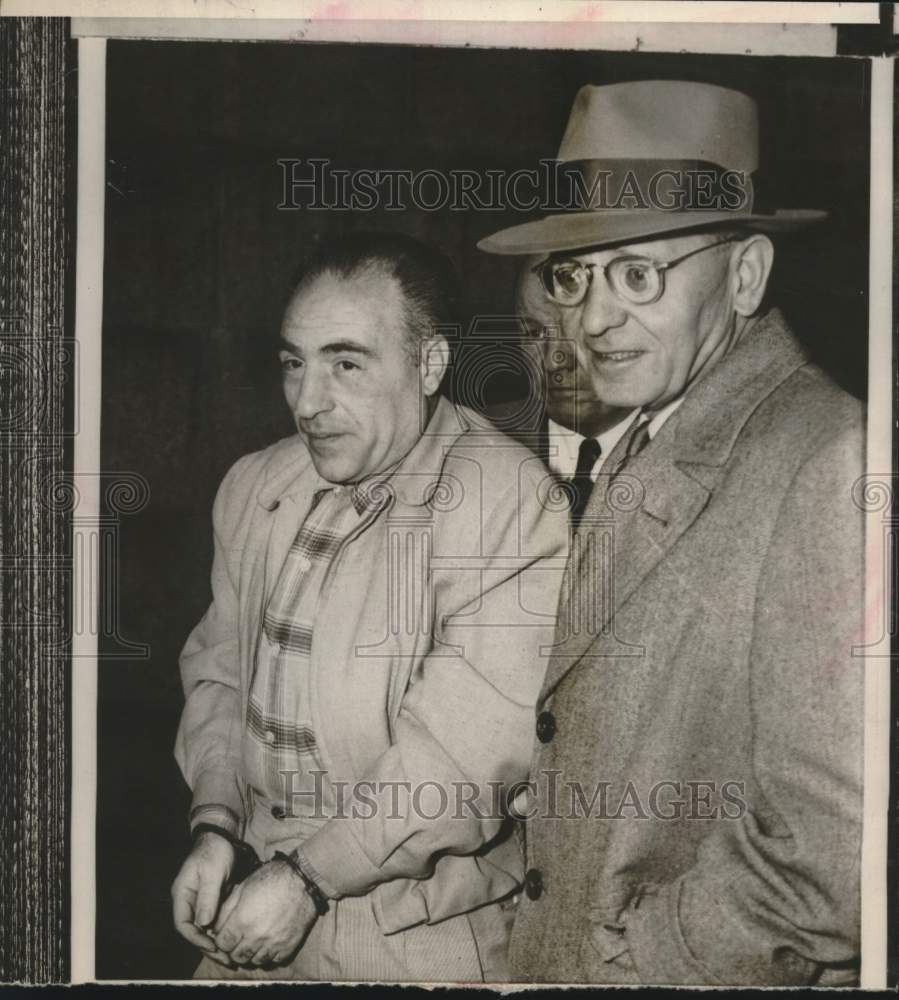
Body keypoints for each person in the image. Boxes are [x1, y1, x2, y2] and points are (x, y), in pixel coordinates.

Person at [478, 79, 864, 986]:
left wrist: (638, 956)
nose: (592, 319)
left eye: (639, 273)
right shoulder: (656, 430)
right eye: (575, 274)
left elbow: (834, 854)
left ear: (744, 276)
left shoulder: (826, 460)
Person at [171, 232, 568, 982]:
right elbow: (219, 675)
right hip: (253, 897)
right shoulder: (257, 485)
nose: (308, 403)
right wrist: (216, 823)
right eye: (295, 363)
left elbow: (461, 756)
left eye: (346, 364)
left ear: (428, 366)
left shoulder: (505, 501)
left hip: (414, 934)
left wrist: (308, 877)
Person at [487, 257, 636, 523]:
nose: (554, 360)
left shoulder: (682, 448)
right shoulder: (472, 440)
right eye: (534, 334)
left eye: (577, 333)